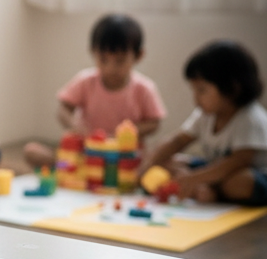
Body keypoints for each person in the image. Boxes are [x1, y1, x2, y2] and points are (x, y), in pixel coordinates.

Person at [24, 14, 166, 168]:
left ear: (138, 56)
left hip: (125, 157)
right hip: (85, 153)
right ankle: (66, 168)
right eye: (103, 60)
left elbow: (154, 123)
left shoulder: (144, 88)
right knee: (32, 151)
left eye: (120, 61)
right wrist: (74, 126)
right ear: (93, 52)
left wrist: (129, 132)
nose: (110, 68)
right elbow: (63, 109)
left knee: (162, 163)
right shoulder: (85, 81)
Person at [142, 41, 267, 205]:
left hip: (254, 174)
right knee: (170, 162)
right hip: (216, 171)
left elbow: (238, 161)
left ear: (232, 88)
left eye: (202, 90)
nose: (195, 98)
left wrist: (194, 178)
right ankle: (204, 188)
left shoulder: (251, 118)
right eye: (194, 90)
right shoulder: (206, 115)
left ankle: (207, 190)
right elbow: (178, 141)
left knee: (242, 182)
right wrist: (150, 162)